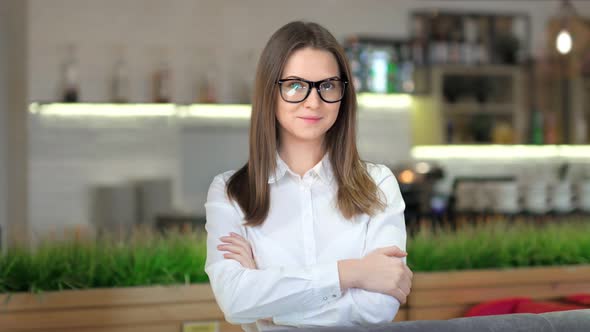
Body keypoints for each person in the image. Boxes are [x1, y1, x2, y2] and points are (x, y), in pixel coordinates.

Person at [204, 21, 412, 331]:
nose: (313, 101)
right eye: (295, 85)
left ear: (343, 92)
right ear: (269, 91)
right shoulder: (231, 192)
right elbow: (234, 300)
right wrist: (351, 273)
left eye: (327, 85)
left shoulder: (377, 184)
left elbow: (379, 306)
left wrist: (269, 309)